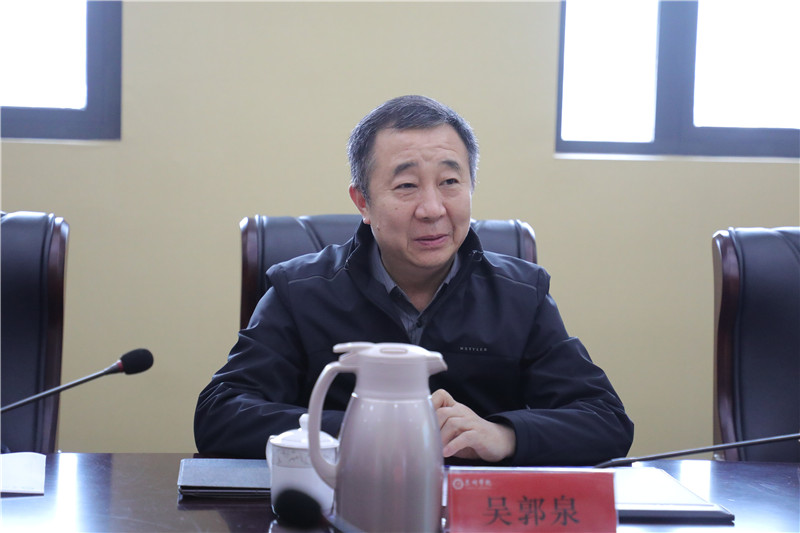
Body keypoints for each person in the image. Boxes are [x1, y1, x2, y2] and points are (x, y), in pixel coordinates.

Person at [194, 95, 633, 465]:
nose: (432, 209)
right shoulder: (300, 290)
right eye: (406, 186)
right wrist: (373, 430)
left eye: (450, 182)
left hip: (474, 515)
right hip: (341, 506)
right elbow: (220, 414)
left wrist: (503, 435)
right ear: (363, 202)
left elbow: (605, 420)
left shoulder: (520, 294)